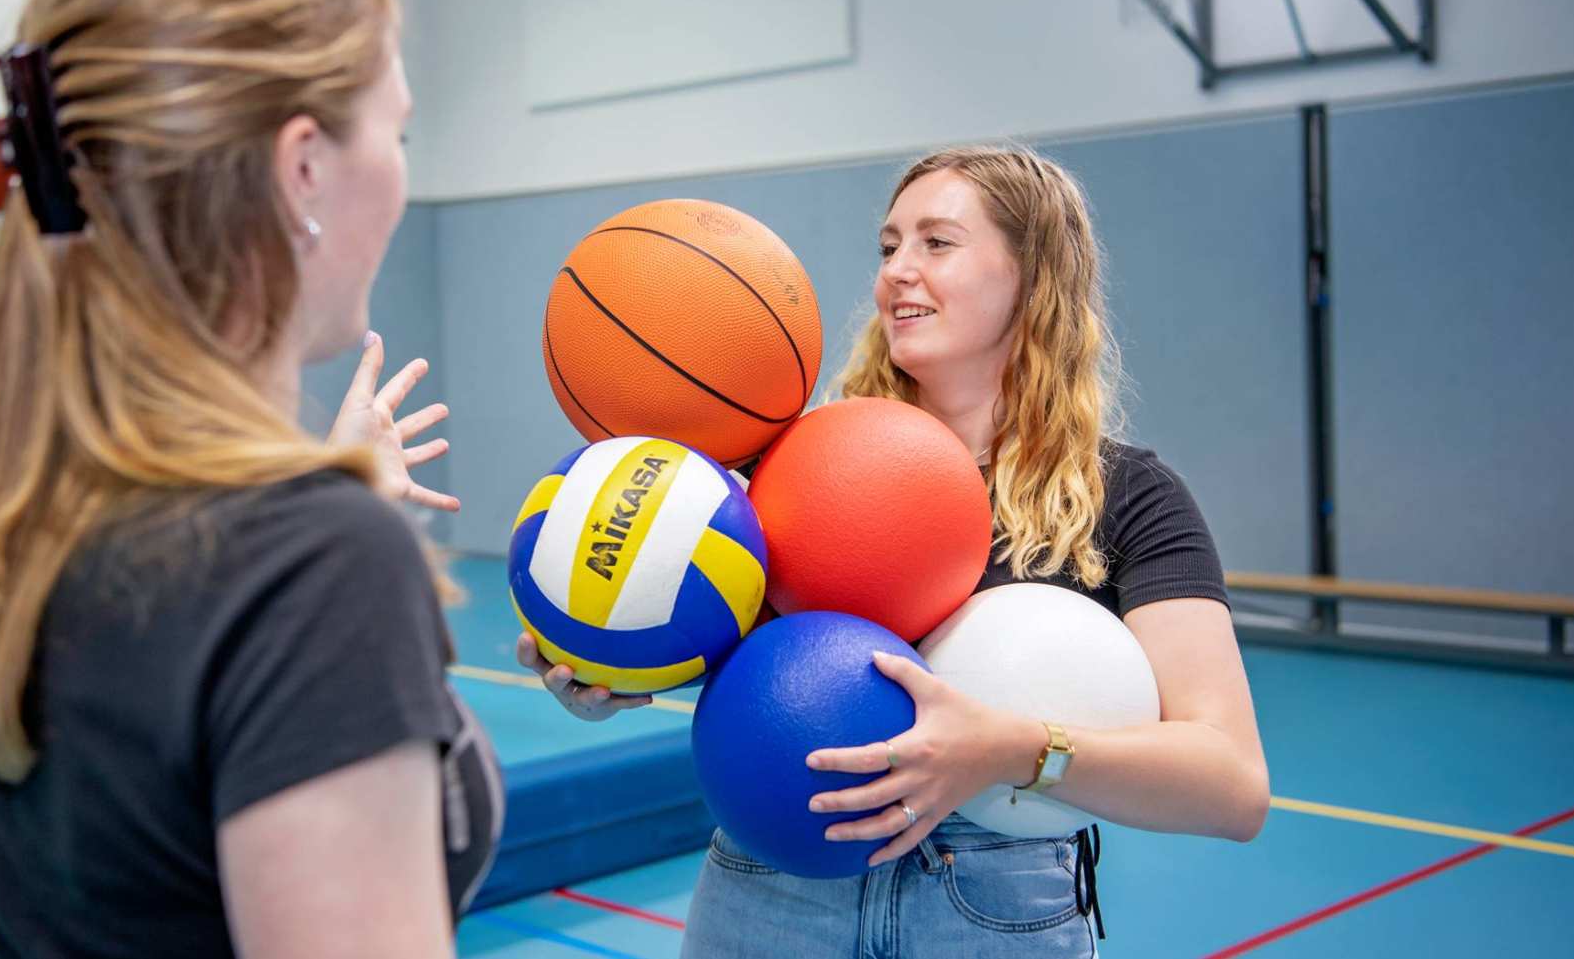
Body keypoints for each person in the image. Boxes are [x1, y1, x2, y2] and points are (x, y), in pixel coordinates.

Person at [0, 0, 494, 957]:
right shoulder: (309, 568)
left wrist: (325, 501)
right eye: (397, 129)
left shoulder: (0, 522)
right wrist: (327, 542)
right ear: (302, 165)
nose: (400, 171)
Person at [516, 144, 1269, 956]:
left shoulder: (1127, 496)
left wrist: (1012, 747)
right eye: (888, 246)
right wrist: (609, 666)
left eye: (936, 243)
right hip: (770, 887)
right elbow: (715, 655)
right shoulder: (779, 471)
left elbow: (1229, 784)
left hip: (994, 905)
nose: (896, 272)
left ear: (1033, 275)